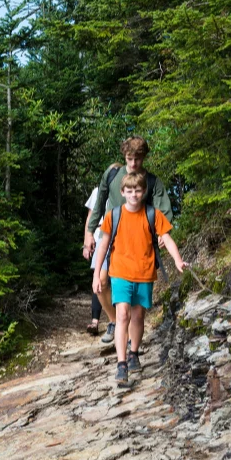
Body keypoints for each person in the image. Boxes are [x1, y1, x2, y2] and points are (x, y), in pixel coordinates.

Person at [91, 171, 186, 388]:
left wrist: (178, 261)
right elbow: (103, 246)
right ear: (123, 192)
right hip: (120, 273)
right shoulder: (113, 215)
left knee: (138, 317)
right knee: (122, 314)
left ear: (143, 192)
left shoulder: (153, 214)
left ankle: (134, 353)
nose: (134, 195)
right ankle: (122, 363)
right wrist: (97, 274)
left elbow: (168, 240)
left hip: (144, 274)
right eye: (129, 191)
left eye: (138, 191)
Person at [84, 137, 173, 344]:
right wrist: (90, 232)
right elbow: (99, 204)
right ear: (124, 157)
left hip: (138, 244)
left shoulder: (152, 182)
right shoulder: (113, 175)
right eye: (129, 159)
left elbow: (163, 212)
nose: (133, 164)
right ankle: (115, 322)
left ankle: (129, 334)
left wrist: (162, 234)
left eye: (138, 159)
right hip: (109, 237)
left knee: (134, 298)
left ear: (144, 158)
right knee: (101, 283)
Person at [83, 185, 113, 336]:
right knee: (99, 279)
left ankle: (113, 320)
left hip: (116, 235)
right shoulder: (97, 191)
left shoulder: (124, 189)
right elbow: (90, 217)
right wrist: (86, 242)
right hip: (99, 235)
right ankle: (95, 320)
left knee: (111, 280)